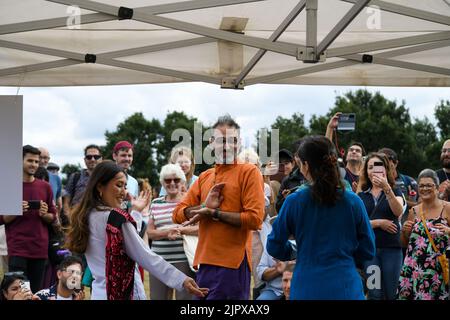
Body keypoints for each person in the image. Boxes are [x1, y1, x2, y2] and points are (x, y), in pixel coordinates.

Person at [64, 160, 207, 300]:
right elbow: (144, 254)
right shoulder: (115, 218)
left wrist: (136, 212)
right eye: (119, 185)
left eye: (125, 186)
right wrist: (181, 280)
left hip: (99, 293)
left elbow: (127, 240)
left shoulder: (85, 216)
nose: (124, 192)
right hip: (125, 294)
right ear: (100, 187)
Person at [267, 136, 375, 300]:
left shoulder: (294, 201)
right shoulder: (354, 201)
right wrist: (345, 255)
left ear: (305, 165)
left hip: (307, 286)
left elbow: (274, 245)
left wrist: (294, 252)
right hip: (345, 285)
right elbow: (368, 248)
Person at [173, 114, 265, 300]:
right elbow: (177, 214)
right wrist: (203, 207)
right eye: (221, 140)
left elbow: (255, 220)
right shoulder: (206, 176)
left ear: (239, 143)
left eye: (232, 140)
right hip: (205, 263)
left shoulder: (249, 172)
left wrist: (213, 213)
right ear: (211, 142)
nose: (227, 146)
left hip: (233, 266)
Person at [0, 145, 56, 293]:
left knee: (35, 292)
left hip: (39, 249)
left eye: (36, 161)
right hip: (18, 248)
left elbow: (53, 217)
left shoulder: (45, 187)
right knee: (18, 292)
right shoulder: (9, 186)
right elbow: (2, 219)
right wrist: (16, 210)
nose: (34, 165)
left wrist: (45, 214)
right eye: (30, 160)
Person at [357, 152, 406, 300]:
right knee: (374, 293)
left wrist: (387, 188)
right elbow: (357, 224)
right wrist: (379, 223)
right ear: (366, 171)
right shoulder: (361, 196)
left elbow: (397, 211)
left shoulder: (395, 190)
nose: (374, 170)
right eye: (370, 167)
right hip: (370, 252)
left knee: (392, 293)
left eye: (378, 166)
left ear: (386, 169)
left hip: (391, 250)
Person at [147, 164, 197, 300]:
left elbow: (201, 229)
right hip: (159, 261)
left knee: (185, 300)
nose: (172, 183)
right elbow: (150, 233)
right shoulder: (156, 203)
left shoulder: (190, 203)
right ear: (162, 183)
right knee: (158, 298)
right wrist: (166, 233)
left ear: (183, 182)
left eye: (176, 180)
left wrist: (182, 230)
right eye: (168, 180)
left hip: (184, 260)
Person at [398, 169, 450, 300]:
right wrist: (405, 232)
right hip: (415, 270)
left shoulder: (447, 208)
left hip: (440, 271)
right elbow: (404, 244)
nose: (424, 188)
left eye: (429, 185)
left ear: (437, 188)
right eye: (421, 185)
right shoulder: (414, 211)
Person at [326, 112, 366, 192]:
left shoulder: (366, 178)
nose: (354, 151)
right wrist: (330, 128)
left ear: (363, 158)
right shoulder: (339, 172)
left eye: (358, 151)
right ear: (346, 156)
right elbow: (326, 152)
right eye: (351, 150)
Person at [63, 144, 103, 215]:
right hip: (76, 219)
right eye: (89, 157)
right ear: (85, 160)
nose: (92, 159)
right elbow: (66, 201)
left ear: (101, 159)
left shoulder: (107, 177)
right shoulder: (75, 177)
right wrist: (70, 218)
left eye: (96, 157)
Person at [378, 147, 418, 216]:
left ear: (396, 163)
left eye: (388, 164)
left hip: (406, 223)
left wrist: (404, 201)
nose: (385, 167)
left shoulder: (409, 181)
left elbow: (422, 203)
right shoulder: (374, 183)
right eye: (381, 163)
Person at [275, 142, 306, 213]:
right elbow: (278, 207)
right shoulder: (283, 181)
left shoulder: (308, 176)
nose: (283, 167)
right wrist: (285, 199)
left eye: (286, 163)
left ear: (293, 163)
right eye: (280, 164)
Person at [39, 147, 62, 215]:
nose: (42, 161)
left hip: (49, 220)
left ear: (49, 159)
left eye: (45, 158)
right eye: (40, 157)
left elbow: (59, 205)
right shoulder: (27, 177)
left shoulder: (56, 178)